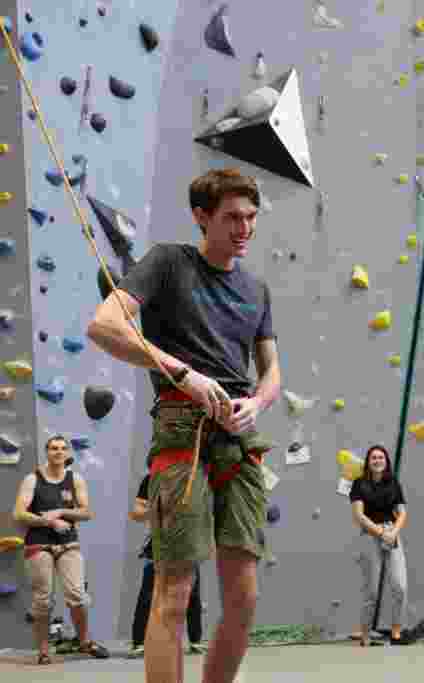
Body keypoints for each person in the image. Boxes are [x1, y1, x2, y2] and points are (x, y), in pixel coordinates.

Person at [86, 168, 281, 683]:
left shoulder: (256, 288)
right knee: (174, 592)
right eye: (232, 218)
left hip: (239, 435)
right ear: (201, 216)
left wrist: (258, 403)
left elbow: (272, 372)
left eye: (251, 217)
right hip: (182, 429)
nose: (245, 228)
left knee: (244, 598)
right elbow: (104, 326)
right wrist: (180, 371)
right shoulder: (168, 263)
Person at [11, 435, 110, 665]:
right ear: (47, 452)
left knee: (77, 595)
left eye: (62, 448)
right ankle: (44, 651)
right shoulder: (32, 479)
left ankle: (84, 642)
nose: (58, 452)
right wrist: (50, 522)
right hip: (38, 544)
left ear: (67, 454)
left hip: (68, 543)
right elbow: (19, 513)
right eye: (54, 448)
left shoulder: (75, 479)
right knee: (42, 600)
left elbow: (86, 512)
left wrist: (57, 512)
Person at [129, 474, 205, 656]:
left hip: (187, 543)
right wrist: (156, 511)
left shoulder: (194, 478)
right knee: (148, 595)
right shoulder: (150, 480)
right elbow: (137, 513)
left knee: (192, 594)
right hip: (158, 544)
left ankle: (195, 641)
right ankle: (139, 643)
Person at [349, 444, 414, 647]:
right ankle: (366, 634)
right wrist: (380, 533)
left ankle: (396, 632)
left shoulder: (393, 483)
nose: (378, 461)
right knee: (371, 591)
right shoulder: (359, 484)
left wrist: (393, 532)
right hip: (370, 534)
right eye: (374, 458)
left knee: (400, 586)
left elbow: (402, 512)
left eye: (381, 458)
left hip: (391, 533)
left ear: (386, 462)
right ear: (369, 462)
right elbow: (359, 515)